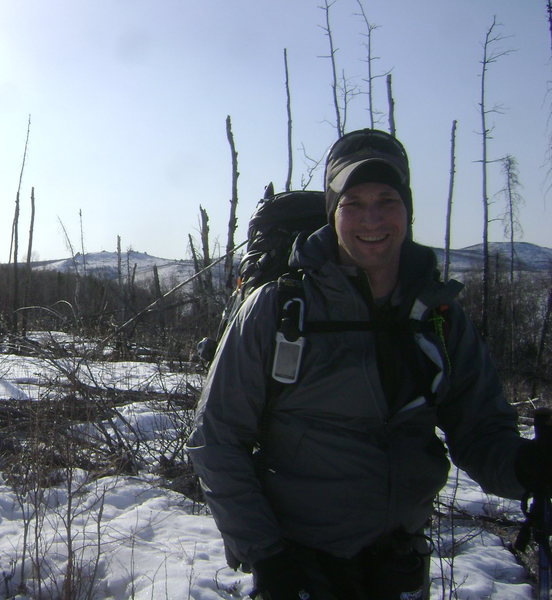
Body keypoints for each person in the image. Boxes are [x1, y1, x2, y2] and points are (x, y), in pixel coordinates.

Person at [187, 128, 548, 599]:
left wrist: (527, 466)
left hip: (400, 562)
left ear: (408, 209)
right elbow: (217, 438)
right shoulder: (277, 309)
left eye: (387, 199)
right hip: (299, 565)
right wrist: (269, 556)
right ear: (332, 212)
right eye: (352, 202)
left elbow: (479, 431)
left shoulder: (438, 315)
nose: (371, 218)